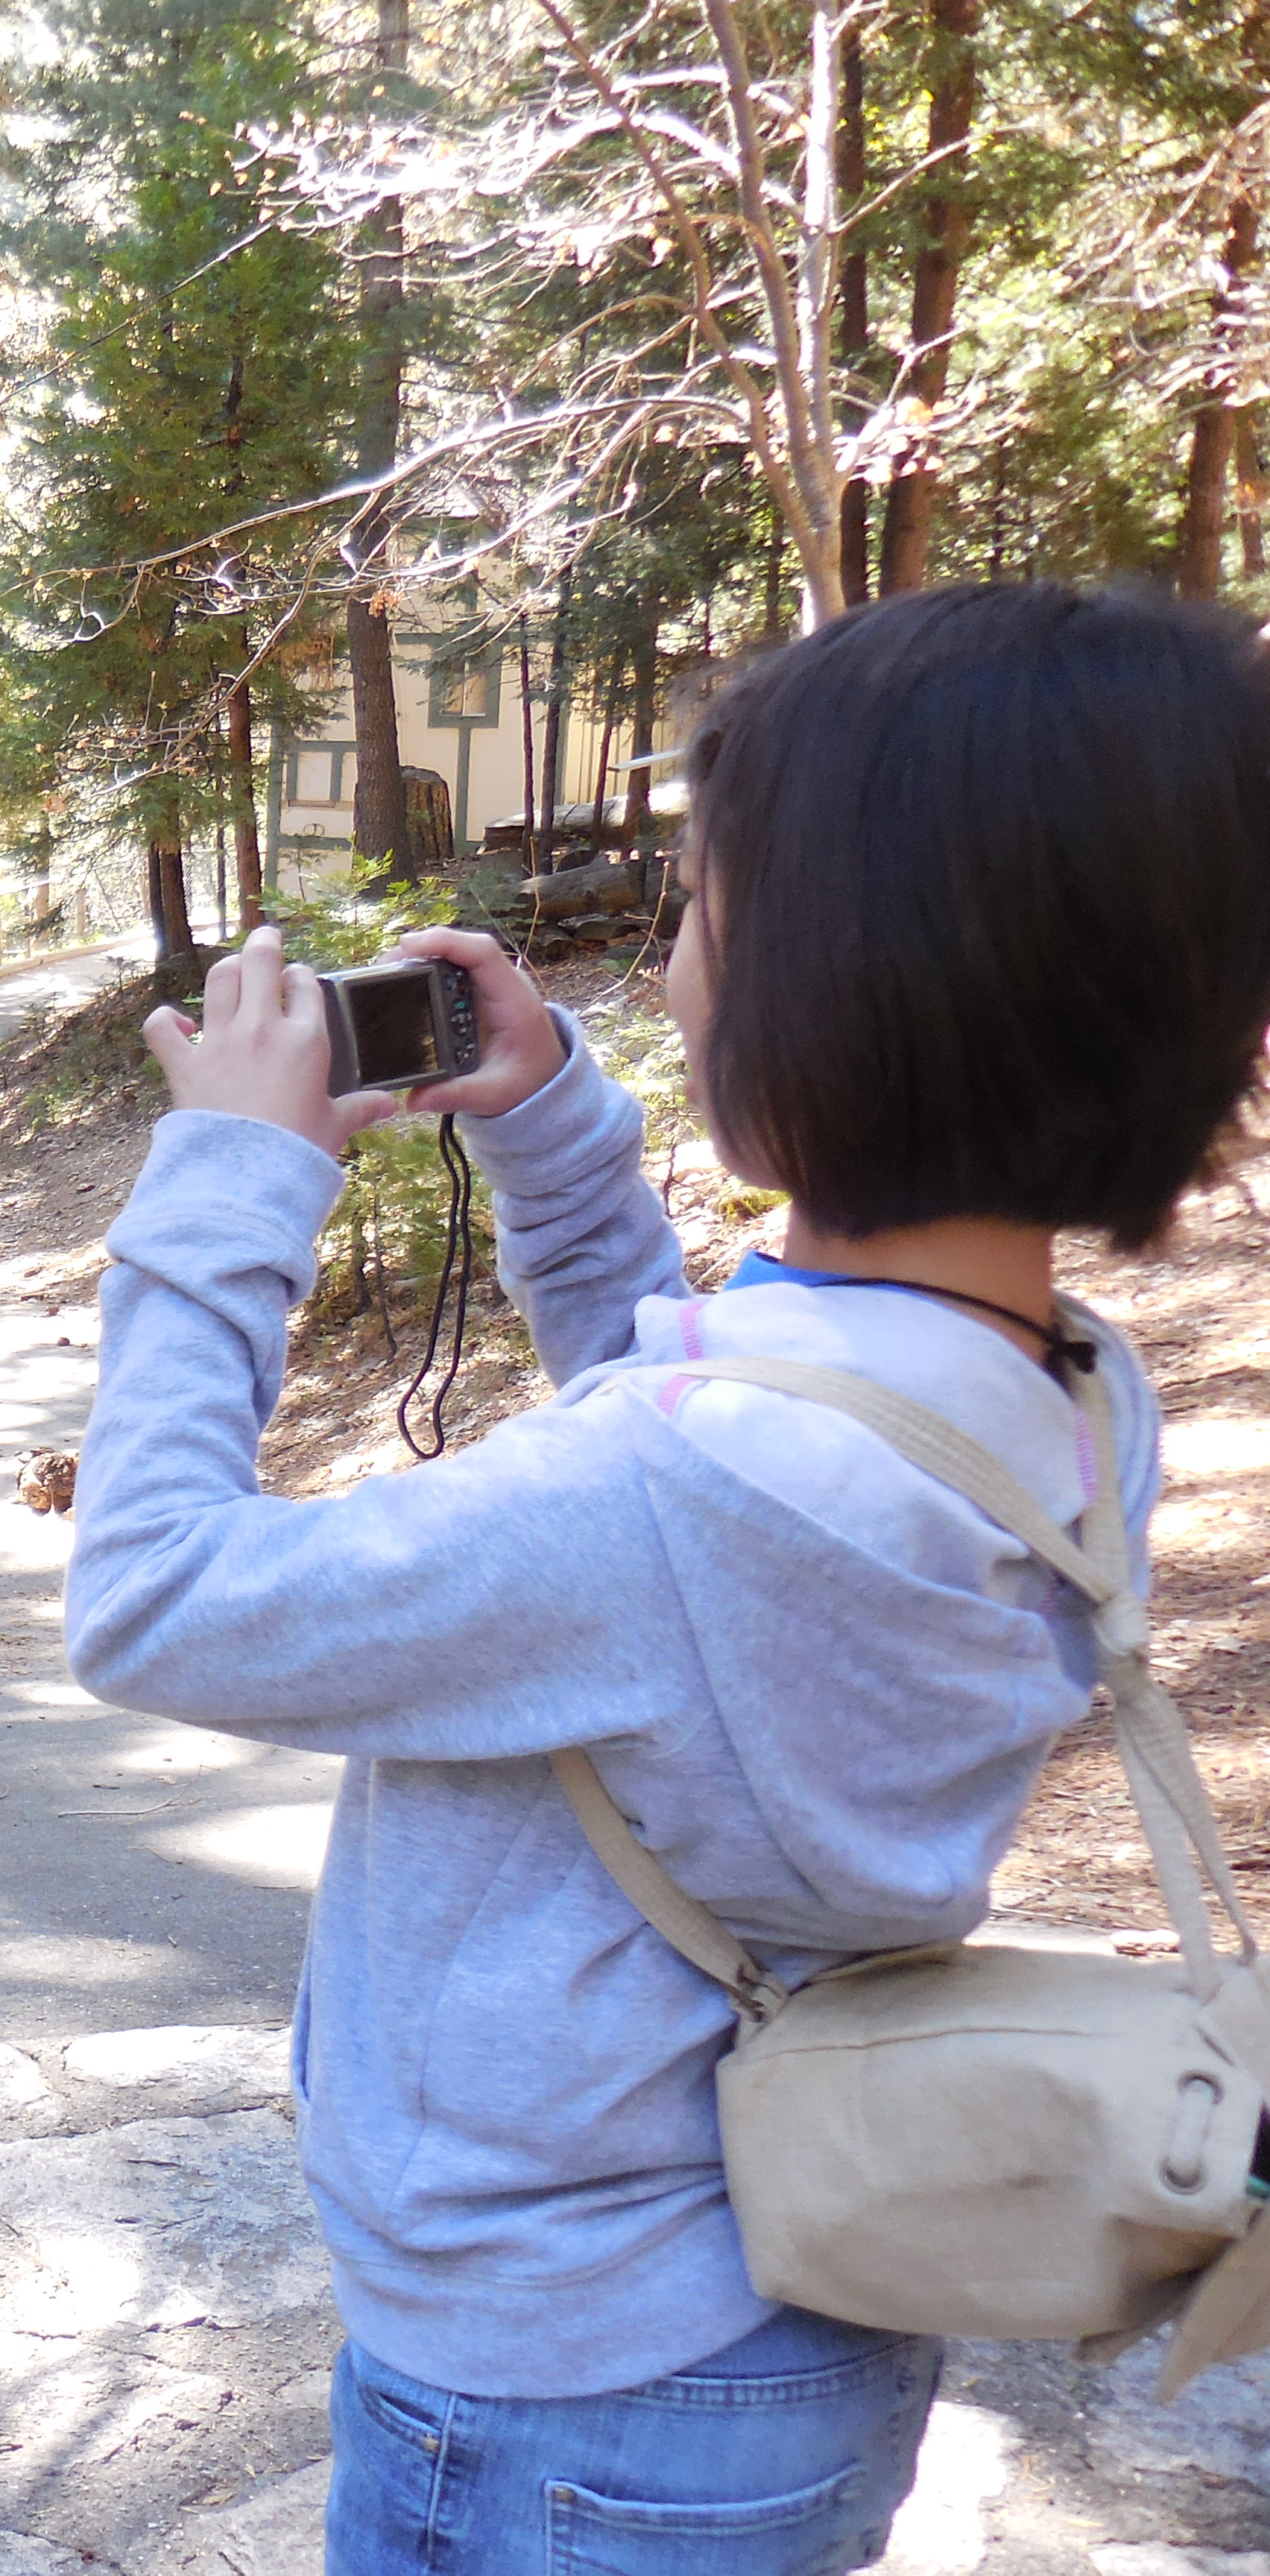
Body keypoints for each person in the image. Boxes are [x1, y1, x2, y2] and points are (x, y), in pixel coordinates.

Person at [63, 583, 1270, 2572]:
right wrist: (550, 1134)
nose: (682, 967)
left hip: (563, 2393)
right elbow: (715, 1472)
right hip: (794, 2314)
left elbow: (155, 1596)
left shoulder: (681, 1500)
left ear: (853, 983)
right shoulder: (1056, 1392)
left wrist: (232, 1186)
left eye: (706, 916)